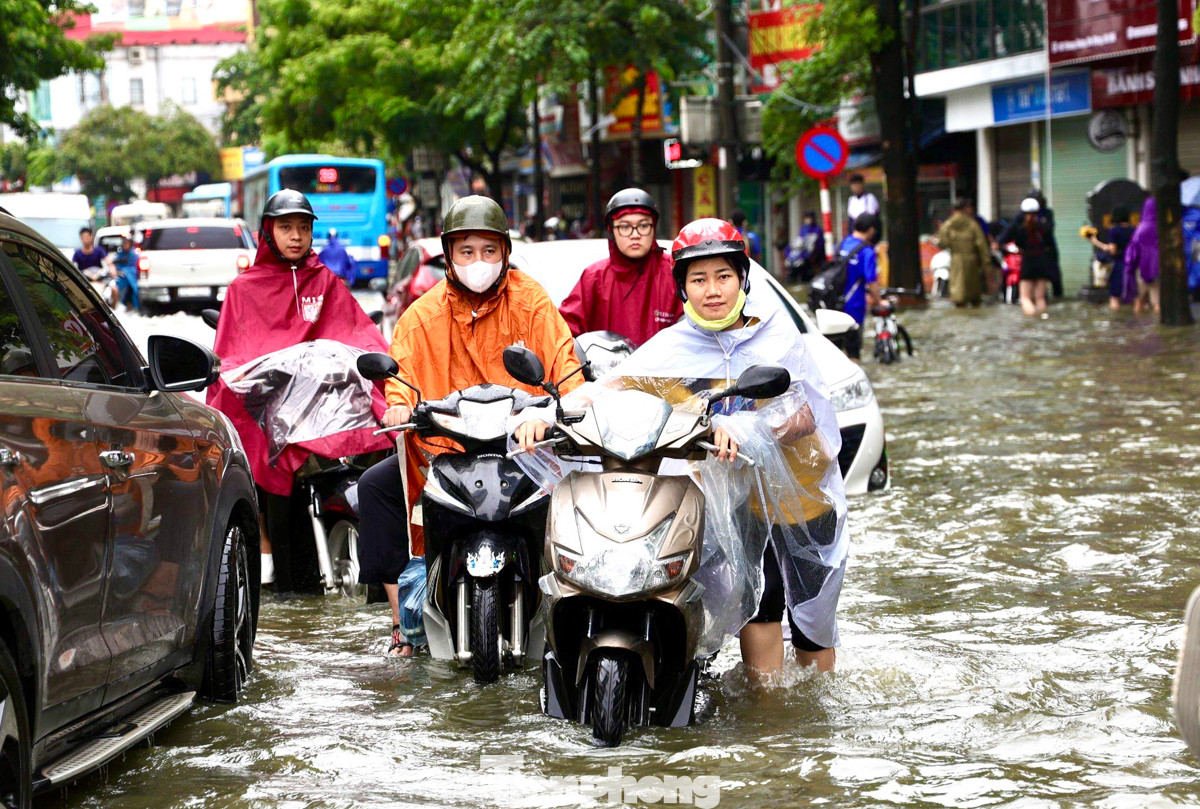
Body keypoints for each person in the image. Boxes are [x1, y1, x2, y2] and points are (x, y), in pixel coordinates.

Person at [519, 219, 849, 675]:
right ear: (682, 287)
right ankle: (770, 723)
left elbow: (805, 413)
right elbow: (608, 388)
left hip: (803, 497)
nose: (712, 290)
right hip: (738, 503)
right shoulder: (673, 348)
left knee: (813, 624)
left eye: (724, 277)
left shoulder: (776, 335)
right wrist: (543, 414)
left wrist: (746, 427)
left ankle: (812, 717)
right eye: (699, 279)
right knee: (760, 606)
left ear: (742, 280)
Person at [357, 195, 583, 656]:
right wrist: (399, 406)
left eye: (488, 252)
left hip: (524, 451)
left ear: (504, 254)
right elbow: (401, 374)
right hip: (446, 451)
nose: (477, 262)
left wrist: (555, 409)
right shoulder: (421, 315)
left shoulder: (532, 301)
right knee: (375, 486)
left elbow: (565, 364)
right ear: (449, 256)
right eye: (466, 252)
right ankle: (402, 622)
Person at [207, 190, 392, 584]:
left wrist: (385, 367)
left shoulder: (326, 280)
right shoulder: (243, 289)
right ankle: (282, 570)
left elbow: (358, 335)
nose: (296, 236)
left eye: (304, 228)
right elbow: (231, 355)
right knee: (270, 475)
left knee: (386, 437)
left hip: (324, 407)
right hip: (271, 412)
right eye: (286, 227)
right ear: (268, 232)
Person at [558, 188, 682, 346]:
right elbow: (563, 331)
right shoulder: (594, 277)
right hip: (608, 370)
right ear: (611, 231)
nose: (635, 234)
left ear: (654, 228)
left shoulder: (674, 272)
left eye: (643, 226)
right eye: (624, 227)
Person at [835, 213, 882, 360]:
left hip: (834, 306)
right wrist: (879, 301)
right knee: (853, 355)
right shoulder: (867, 251)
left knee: (835, 354)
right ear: (871, 230)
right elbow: (871, 280)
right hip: (854, 307)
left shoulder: (842, 244)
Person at [935, 197, 991, 307]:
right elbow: (981, 244)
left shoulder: (948, 224)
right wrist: (986, 262)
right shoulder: (972, 224)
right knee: (974, 295)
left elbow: (942, 243)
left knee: (958, 295)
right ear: (966, 209)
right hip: (972, 261)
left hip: (956, 260)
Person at [1003, 197, 1054, 317]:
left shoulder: (1020, 229)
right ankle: (1042, 318)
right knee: (1040, 298)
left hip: (1028, 262)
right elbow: (1050, 245)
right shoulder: (1044, 227)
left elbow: (1015, 243)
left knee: (1025, 297)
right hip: (1043, 262)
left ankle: (1031, 320)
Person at [1088, 206, 1136, 311]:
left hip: (1119, 266)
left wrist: (1096, 242)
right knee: (1135, 297)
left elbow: (1112, 250)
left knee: (1115, 297)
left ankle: (1116, 321)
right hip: (1133, 265)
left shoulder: (1114, 231)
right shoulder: (1134, 230)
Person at [1125, 196, 1161, 315]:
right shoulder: (1161, 228)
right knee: (1157, 302)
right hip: (1158, 268)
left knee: (1139, 300)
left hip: (1142, 268)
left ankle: (1138, 327)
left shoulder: (1140, 229)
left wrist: (1130, 267)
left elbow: (1132, 251)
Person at [112, 233, 139, 311]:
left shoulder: (134, 255)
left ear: (130, 244)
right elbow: (114, 265)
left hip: (130, 280)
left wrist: (125, 271)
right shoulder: (119, 254)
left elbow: (134, 269)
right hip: (120, 279)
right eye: (123, 243)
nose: (124, 245)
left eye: (126, 243)